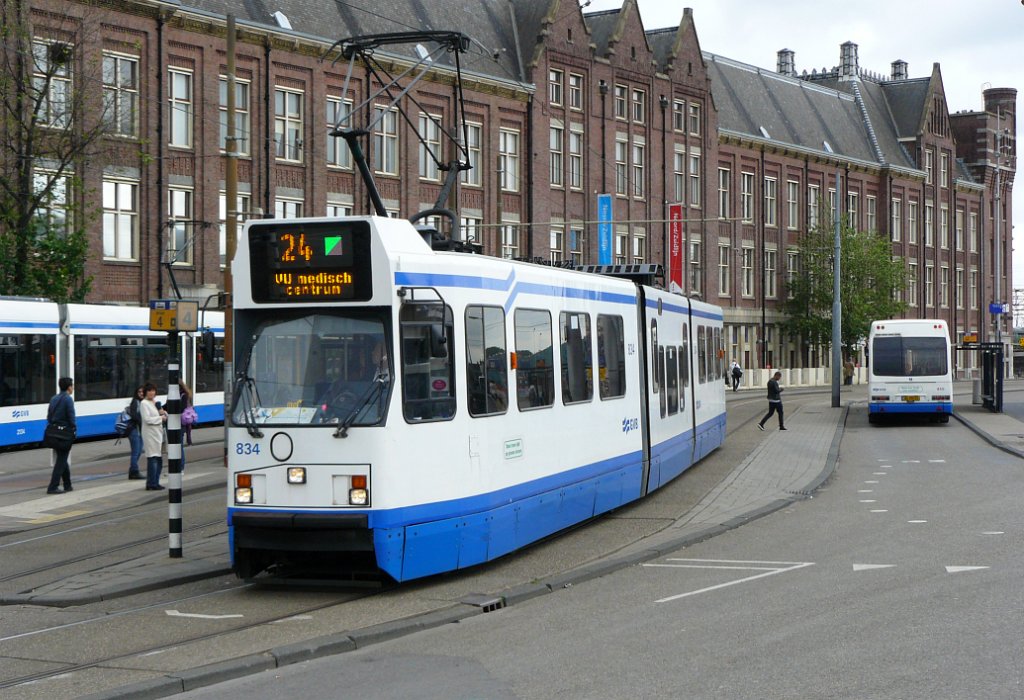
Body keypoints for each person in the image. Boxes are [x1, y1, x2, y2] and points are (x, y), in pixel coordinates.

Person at [45, 377, 76, 494]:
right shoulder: (68, 399)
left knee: (62, 458)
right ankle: (53, 486)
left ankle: (68, 485)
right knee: (61, 460)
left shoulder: (54, 398)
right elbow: (71, 417)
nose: (73, 388)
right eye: (72, 386)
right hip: (64, 434)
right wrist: (74, 429)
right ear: (69, 387)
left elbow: (49, 417)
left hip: (53, 433)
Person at [140, 382, 168, 491]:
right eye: (149, 391)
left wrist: (162, 412)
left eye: (153, 391)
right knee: (153, 458)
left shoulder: (155, 403)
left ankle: (155, 481)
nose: (151, 393)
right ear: (145, 392)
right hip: (150, 434)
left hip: (158, 434)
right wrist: (160, 418)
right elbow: (147, 419)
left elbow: (163, 414)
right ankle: (152, 483)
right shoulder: (144, 403)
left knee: (158, 458)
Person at [127, 385, 145, 480]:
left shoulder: (142, 402)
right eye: (139, 392)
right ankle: (134, 472)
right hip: (134, 430)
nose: (141, 393)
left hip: (139, 430)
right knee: (136, 452)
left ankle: (132, 471)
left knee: (138, 451)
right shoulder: (135, 402)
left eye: (142, 392)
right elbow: (134, 416)